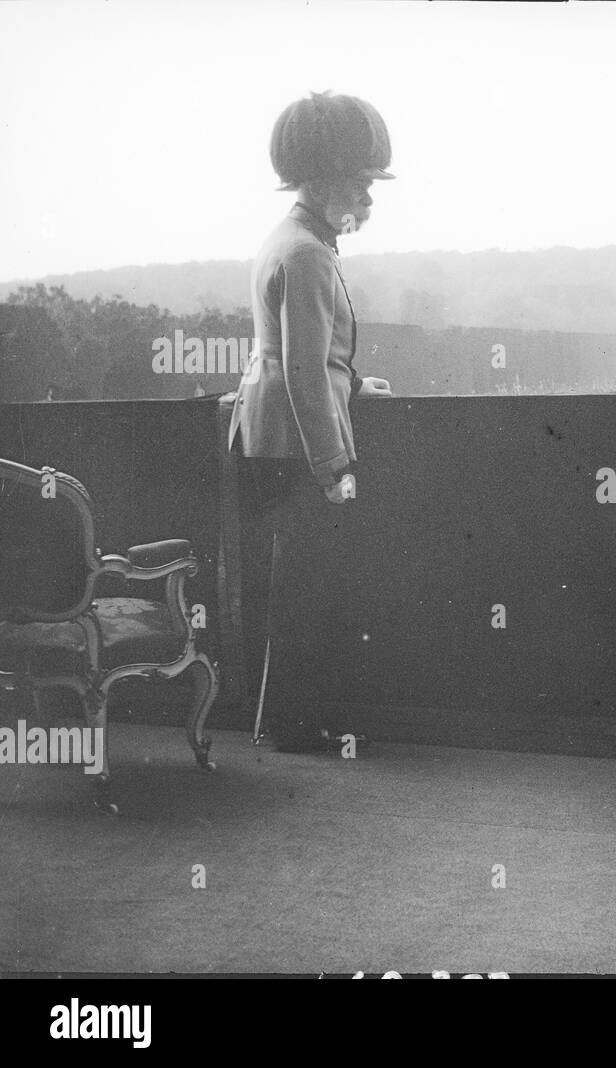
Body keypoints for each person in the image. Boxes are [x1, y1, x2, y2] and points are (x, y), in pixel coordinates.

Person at [228, 90, 395, 752]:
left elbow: (302, 354)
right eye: (361, 181)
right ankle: (297, 727)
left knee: (293, 586)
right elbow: (300, 370)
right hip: (297, 447)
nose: (370, 198)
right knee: (306, 591)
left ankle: (289, 721)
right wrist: (333, 467)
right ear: (329, 179)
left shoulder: (292, 241)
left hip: (270, 437)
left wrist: (351, 382)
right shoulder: (308, 253)